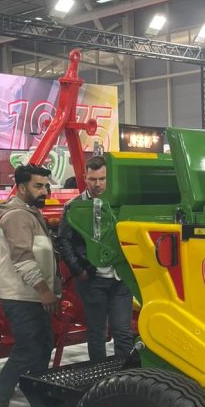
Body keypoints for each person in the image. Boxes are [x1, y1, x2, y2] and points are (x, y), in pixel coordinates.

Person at [0, 162, 60, 407]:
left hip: (35, 296)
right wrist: (44, 290)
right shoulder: (17, 216)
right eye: (38, 186)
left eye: (46, 186)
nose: (44, 191)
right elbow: (22, 258)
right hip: (22, 296)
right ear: (21, 187)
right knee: (28, 349)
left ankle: (37, 401)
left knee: (42, 347)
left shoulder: (31, 213)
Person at [58, 155, 133, 364]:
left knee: (122, 331)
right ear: (85, 178)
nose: (97, 184)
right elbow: (64, 241)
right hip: (92, 279)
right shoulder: (73, 207)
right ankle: (99, 376)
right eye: (93, 179)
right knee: (97, 332)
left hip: (120, 278)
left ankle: (125, 375)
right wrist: (79, 270)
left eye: (102, 178)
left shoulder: (121, 204)